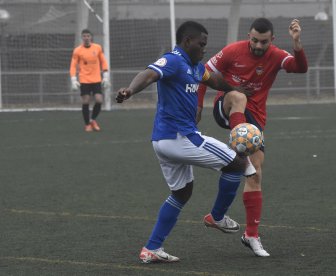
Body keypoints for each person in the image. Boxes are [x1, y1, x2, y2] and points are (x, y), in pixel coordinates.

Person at [115, 21, 253, 264]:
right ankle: (217, 217)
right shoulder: (174, 60)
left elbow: (216, 81)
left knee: (181, 192)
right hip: (180, 137)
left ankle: (152, 248)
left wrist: (235, 89)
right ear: (187, 41)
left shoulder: (196, 67)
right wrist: (129, 91)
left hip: (163, 142)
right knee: (237, 162)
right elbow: (148, 75)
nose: (204, 49)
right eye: (201, 44)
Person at [198, 18, 308, 257]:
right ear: (249, 35)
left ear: (272, 40)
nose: (258, 45)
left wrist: (297, 43)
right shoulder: (232, 51)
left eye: (264, 42)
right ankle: (238, 142)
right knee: (238, 95)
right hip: (226, 108)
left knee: (254, 174)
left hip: (254, 122)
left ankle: (251, 235)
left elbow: (300, 68)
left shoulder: (277, 55)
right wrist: (197, 108)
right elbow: (202, 73)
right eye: (255, 40)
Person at [70, 29, 110, 132]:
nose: (86, 38)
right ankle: (87, 124)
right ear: (82, 38)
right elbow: (73, 65)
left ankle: (92, 120)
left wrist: (105, 76)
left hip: (96, 79)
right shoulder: (78, 50)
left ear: (91, 37)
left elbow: (103, 62)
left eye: (88, 36)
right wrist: (73, 79)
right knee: (86, 101)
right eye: (84, 36)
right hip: (84, 80)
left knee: (99, 100)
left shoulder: (97, 48)